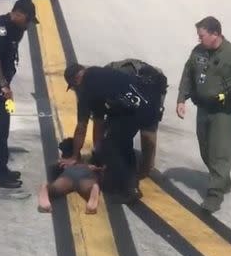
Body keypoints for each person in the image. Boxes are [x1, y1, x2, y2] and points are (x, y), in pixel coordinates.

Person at [177, 16, 231, 213]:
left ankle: (214, 195)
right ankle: (223, 179)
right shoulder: (198, 52)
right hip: (204, 109)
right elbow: (188, 74)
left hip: (225, 112)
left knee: (220, 153)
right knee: (206, 151)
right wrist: (181, 99)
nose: (199, 39)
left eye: (202, 36)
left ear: (215, 34)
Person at [61, 63, 162, 203]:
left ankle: (129, 188)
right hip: (149, 105)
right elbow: (99, 120)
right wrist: (97, 150)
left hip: (133, 111)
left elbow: (82, 127)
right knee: (122, 142)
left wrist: (73, 156)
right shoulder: (100, 72)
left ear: (76, 79)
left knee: (114, 147)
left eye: (73, 86)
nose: (75, 90)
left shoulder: (86, 88)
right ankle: (134, 177)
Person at [0, 0, 38, 188]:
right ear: (18, 13)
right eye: (27, 20)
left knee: (3, 125)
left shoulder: (17, 29)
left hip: (3, 86)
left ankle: (1, 167)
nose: (28, 26)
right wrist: (3, 85)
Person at [105, 58, 167, 177]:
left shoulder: (119, 77)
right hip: (142, 79)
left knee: (148, 128)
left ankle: (147, 166)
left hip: (153, 82)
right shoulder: (111, 75)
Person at [38, 138, 102, 214]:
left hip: (67, 176)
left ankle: (46, 188)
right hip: (86, 174)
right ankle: (94, 190)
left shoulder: (62, 163)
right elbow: (100, 170)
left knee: (53, 189)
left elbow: (53, 172)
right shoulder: (86, 162)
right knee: (89, 188)